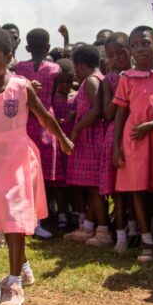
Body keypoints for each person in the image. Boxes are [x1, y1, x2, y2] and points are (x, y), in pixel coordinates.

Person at [0, 27, 73, 305]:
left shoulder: (20, 87)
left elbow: (44, 116)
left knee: (14, 215)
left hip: (19, 157)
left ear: (8, 57)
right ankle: (22, 268)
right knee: (3, 217)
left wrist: (62, 138)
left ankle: (13, 284)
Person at [112, 26, 153, 263]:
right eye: (134, 45)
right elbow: (119, 115)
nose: (140, 49)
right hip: (134, 139)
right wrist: (116, 146)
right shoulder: (126, 78)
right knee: (137, 189)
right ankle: (147, 241)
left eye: (145, 43)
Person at [15, 28, 61, 238]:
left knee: (26, 174)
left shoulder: (19, 67)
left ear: (27, 47)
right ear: (48, 48)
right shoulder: (55, 68)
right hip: (43, 122)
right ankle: (36, 221)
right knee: (38, 175)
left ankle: (32, 220)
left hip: (25, 122)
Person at [63, 45, 110, 246]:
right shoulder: (99, 78)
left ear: (80, 65)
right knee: (93, 188)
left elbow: (97, 110)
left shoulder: (91, 81)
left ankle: (103, 232)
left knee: (95, 188)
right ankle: (90, 227)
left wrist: (76, 128)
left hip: (92, 139)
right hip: (91, 138)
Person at [100, 33, 136, 252]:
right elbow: (107, 113)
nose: (116, 58)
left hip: (135, 134)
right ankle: (121, 236)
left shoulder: (138, 75)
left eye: (120, 52)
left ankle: (136, 231)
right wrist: (118, 91)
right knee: (118, 191)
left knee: (136, 189)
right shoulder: (109, 80)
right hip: (115, 134)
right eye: (111, 55)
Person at [50, 59, 76, 229]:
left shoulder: (75, 97)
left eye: (69, 81)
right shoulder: (53, 99)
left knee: (72, 183)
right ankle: (61, 215)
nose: (66, 85)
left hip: (73, 145)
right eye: (62, 82)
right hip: (58, 145)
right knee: (60, 184)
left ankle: (72, 211)